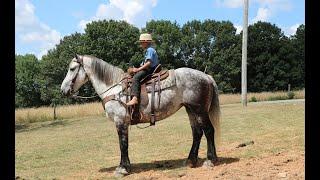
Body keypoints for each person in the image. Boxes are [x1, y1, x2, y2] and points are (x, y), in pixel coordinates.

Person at [126, 33, 159, 106]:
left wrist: (137, 70)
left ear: (146, 42)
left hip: (150, 69)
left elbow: (148, 63)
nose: (140, 44)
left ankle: (135, 98)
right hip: (149, 68)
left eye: (141, 42)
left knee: (136, 78)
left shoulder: (150, 50)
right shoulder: (149, 50)